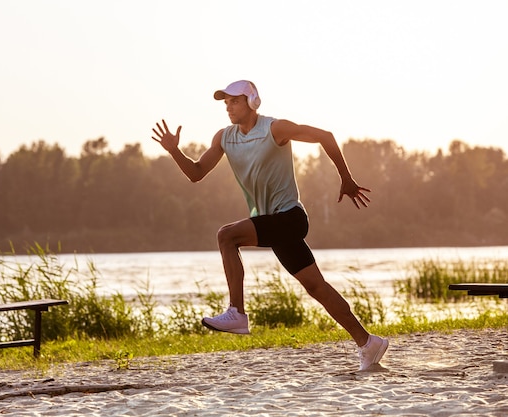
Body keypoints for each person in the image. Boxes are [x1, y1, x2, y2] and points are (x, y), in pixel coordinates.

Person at [151, 80, 388, 370]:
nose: (228, 106)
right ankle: (368, 342)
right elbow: (197, 173)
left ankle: (236, 312)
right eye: (225, 102)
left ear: (252, 102)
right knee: (316, 287)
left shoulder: (275, 129)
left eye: (234, 101)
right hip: (273, 223)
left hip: (289, 218)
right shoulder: (225, 138)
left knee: (226, 236)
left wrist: (346, 178)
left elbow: (325, 136)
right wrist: (174, 151)